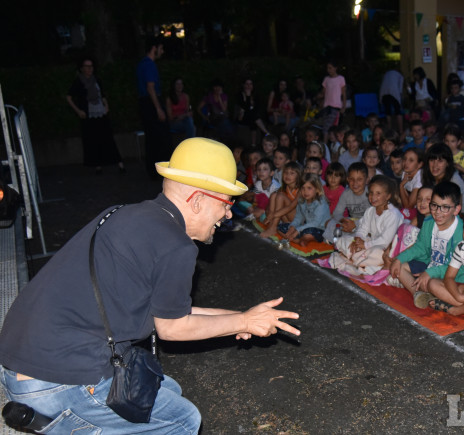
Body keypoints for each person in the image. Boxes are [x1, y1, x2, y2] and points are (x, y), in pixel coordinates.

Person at [0, 138, 300, 432]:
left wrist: (240, 319)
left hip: (24, 363)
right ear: (197, 200)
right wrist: (244, 321)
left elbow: (169, 309)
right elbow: (173, 328)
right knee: (182, 420)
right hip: (55, 383)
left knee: (168, 388)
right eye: (226, 203)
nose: (228, 213)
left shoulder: (124, 214)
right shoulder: (175, 245)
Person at [389, 181, 464, 297]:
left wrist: (430, 273)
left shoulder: (462, 233)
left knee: (432, 284)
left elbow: (456, 268)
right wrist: (399, 259)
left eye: (445, 207)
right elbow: (420, 247)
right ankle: (419, 295)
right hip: (430, 266)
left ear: (456, 209)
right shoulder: (429, 222)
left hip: (452, 276)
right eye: (434, 205)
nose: (437, 212)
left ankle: (432, 294)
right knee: (401, 266)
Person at [331, 175, 404, 275]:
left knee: (378, 254)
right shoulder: (370, 211)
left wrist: (365, 245)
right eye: (371, 193)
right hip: (372, 243)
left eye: (378, 193)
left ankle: (355, 259)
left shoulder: (393, 214)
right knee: (343, 239)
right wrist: (357, 239)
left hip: (387, 249)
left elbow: (385, 241)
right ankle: (360, 262)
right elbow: (362, 229)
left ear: (388, 196)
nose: (373, 197)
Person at [66, 56, 124, 174]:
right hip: (88, 114)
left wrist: (106, 105)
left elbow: (102, 94)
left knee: (107, 137)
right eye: (87, 67)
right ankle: (97, 165)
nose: (89, 69)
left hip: (100, 112)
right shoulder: (79, 81)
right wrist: (78, 111)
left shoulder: (96, 80)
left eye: (91, 66)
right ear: (82, 68)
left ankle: (119, 163)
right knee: (93, 139)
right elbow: (69, 97)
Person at [136, 36, 171, 176]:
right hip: (151, 102)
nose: (162, 52)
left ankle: (153, 170)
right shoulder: (149, 64)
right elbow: (150, 87)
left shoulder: (141, 64)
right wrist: (158, 108)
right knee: (161, 137)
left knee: (151, 137)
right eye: (161, 48)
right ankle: (161, 169)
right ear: (154, 48)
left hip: (144, 102)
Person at [323, 162, 371, 243]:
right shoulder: (346, 194)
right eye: (352, 179)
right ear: (348, 179)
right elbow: (337, 213)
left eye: (359, 179)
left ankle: (343, 241)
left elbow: (371, 217)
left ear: (367, 180)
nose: (355, 183)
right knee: (329, 223)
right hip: (350, 223)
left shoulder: (370, 193)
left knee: (369, 231)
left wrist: (355, 224)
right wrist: (344, 221)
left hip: (366, 224)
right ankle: (344, 241)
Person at [278, 173, 331, 246]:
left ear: (317, 189)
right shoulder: (302, 201)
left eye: (309, 188)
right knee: (280, 227)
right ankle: (297, 240)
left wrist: (298, 230)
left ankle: (299, 240)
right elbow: (298, 217)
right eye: (303, 188)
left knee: (309, 233)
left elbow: (315, 223)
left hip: (319, 229)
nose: (305, 191)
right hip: (305, 227)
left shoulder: (321, 203)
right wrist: (292, 227)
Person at [421, 144, 464, 212]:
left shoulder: (454, 179)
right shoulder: (426, 176)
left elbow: (456, 211)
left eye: (440, 161)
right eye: (432, 160)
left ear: (447, 163)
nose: (435, 165)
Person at [259, 161, 302, 238]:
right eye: (285, 172)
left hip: (297, 219)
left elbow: (291, 207)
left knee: (280, 196)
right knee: (274, 195)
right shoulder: (284, 188)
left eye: (292, 173)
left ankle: (273, 227)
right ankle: (272, 223)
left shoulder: (301, 190)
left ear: (298, 176)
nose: (287, 175)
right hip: (286, 219)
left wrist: (272, 215)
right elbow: (271, 204)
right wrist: (269, 213)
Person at [317, 61, 347, 143]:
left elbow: (343, 94)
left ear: (335, 68)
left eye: (330, 68)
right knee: (328, 127)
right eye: (327, 68)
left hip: (336, 106)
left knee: (327, 128)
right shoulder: (326, 79)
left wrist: (344, 106)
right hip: (327, 107)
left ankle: (325, 146)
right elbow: (324, 92)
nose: (328, 70)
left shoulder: (341, 79)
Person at [236, 78, 270, 146]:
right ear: (244, 85)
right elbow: (245, 108)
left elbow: (257, 108)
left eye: (250, 84)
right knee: (253, 116)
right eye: (247, 84)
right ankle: (266, 133)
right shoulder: (240, 95)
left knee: (253, 118)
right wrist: (248, 97)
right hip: (242, 117)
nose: (249, 86)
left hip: (253, 117)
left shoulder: (256, 95)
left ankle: (253, 144)